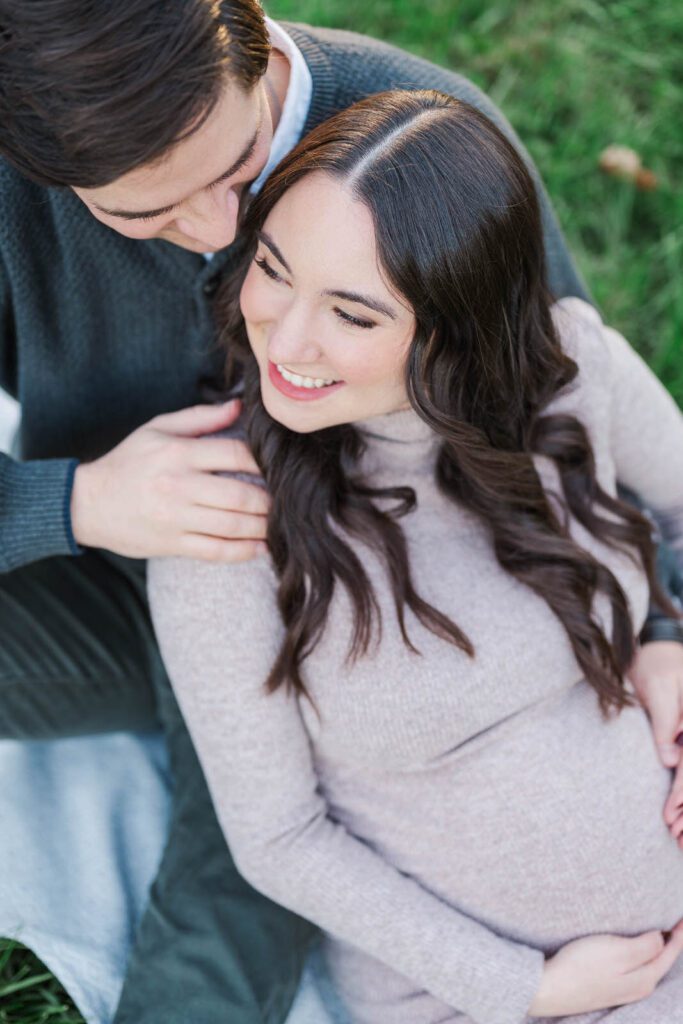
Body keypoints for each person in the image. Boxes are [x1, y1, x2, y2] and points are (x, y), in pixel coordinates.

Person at [0, 1, 681, 1021]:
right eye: (144, 216)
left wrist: (660, 626)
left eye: (240, 175)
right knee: (239, 869)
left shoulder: (424, 138)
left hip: (318, 614)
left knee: (226, 888)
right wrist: (74, 501)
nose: (223, 238)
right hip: (111, 570)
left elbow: (557, 408)